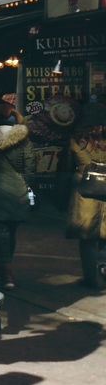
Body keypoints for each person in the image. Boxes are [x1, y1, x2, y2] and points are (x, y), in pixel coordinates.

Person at [0, 103, 35, 290]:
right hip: (18, 191)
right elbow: (29, 169)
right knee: (11, 231)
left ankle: (5, 271)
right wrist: (28, 188)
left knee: (0, 232)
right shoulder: (23, 140)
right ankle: (6, 268)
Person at [69, 102, 106, 289]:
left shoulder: (76, 142)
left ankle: (91, 278)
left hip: (86, 196)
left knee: (88, 240)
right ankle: (103, 271)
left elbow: (66, 168)